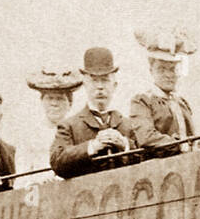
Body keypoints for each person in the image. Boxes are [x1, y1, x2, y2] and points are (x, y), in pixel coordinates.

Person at [50, 47, 138, 179]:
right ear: (85, 84)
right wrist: (92, 147)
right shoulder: (69, 126)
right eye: (94, 80)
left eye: (105, 80)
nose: (100, 87)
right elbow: (57, 161)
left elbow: (146, 157)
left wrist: (124, 144)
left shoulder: (128, 125)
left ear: (115, 85)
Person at [129, 30, 196, 148]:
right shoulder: (142, 102)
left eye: (172, 69)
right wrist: (179, 145)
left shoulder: (182, 103)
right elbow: (146, 138)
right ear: (151, 71)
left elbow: (193, 137)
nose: (168, 75)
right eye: (161, 69)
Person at [18, 66, 83, 184]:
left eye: (60, 99)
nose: (54, 103)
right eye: (50, 98)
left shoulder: (78, 131)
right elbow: (20, 177)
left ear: (70, 103)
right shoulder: (29, 136)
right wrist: (38, 181)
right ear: (42, 101)